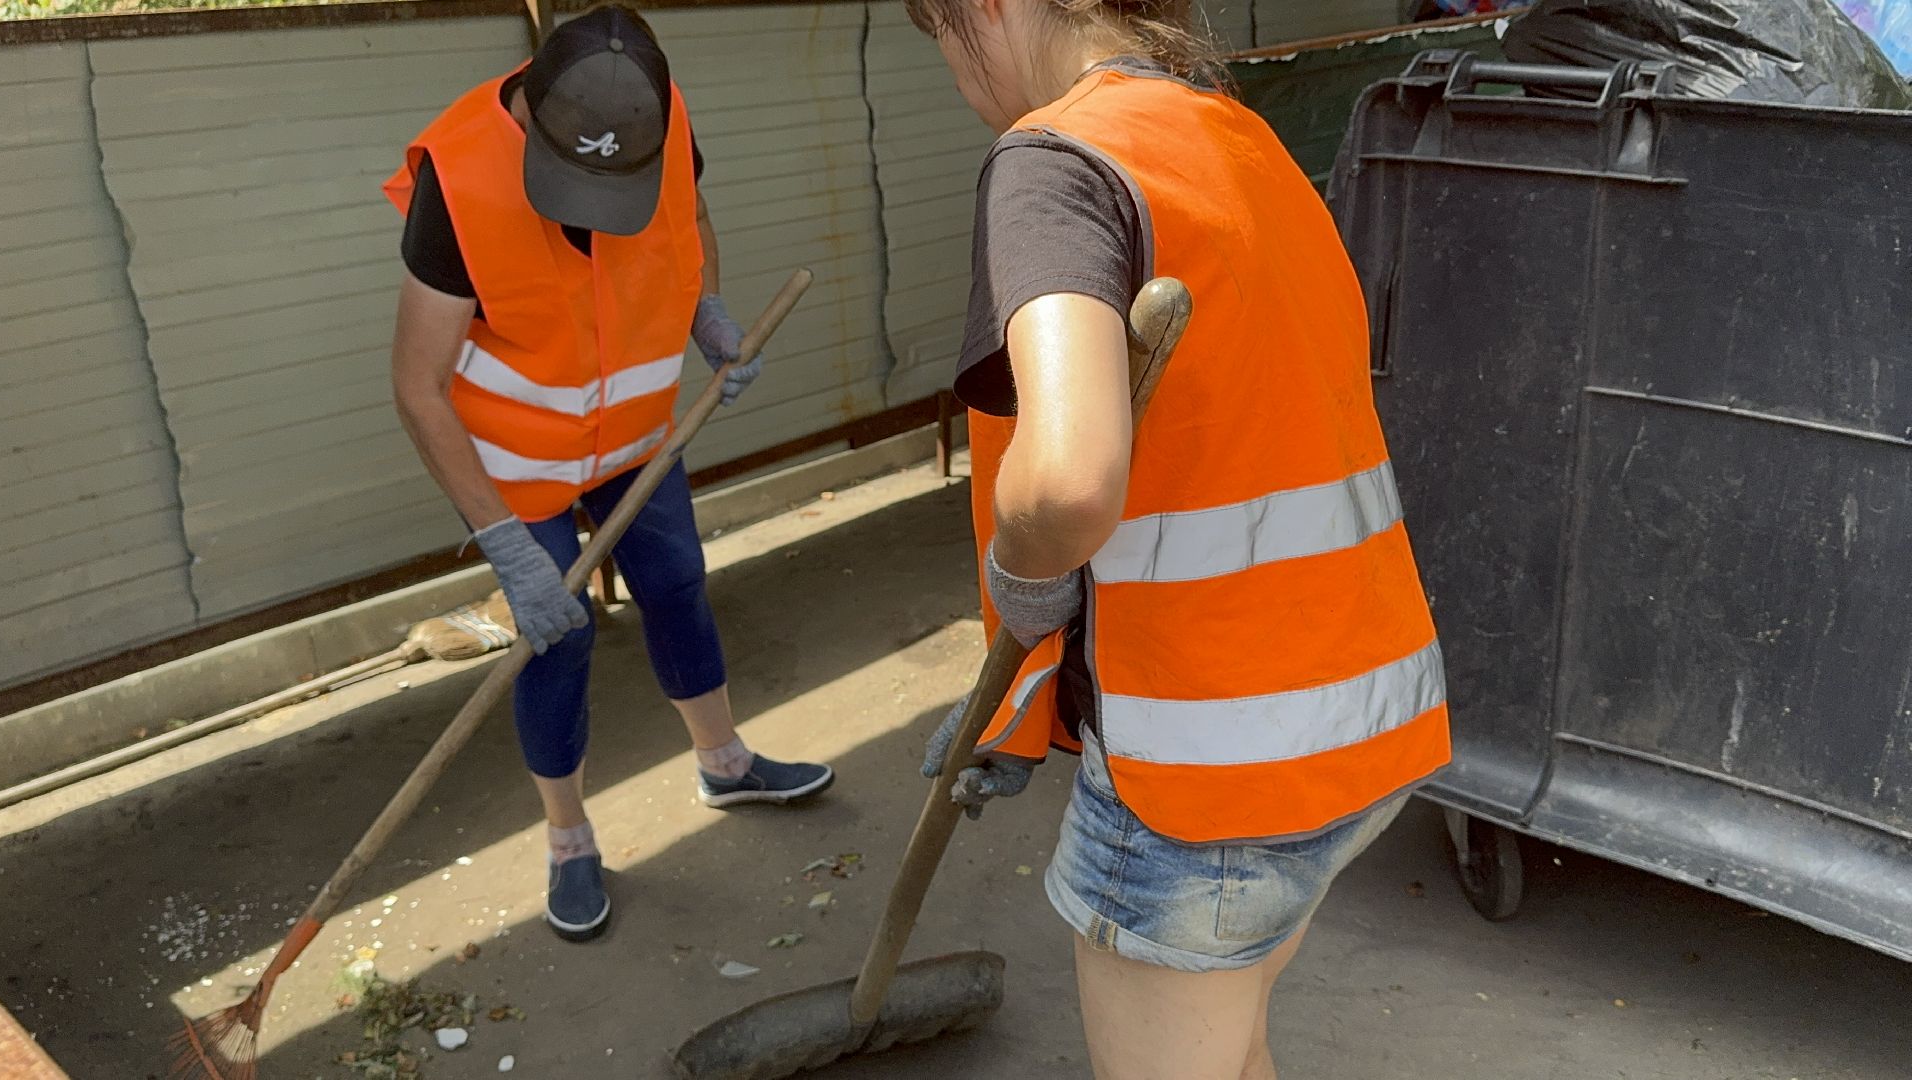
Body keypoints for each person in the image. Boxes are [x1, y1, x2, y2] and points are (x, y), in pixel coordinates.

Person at [908, 0, 1451, 1075]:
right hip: (1365, 722)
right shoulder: (1239, 142)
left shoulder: (1056, 160)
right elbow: (1218, 450)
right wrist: (1022, 715)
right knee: (1234, 1048)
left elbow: (1065, 480)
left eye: (940, 33)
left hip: (1210, 783)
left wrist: (1020, 571)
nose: (957, 78)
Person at [383, 5, 833, 944]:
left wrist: (710, 312)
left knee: (677, 583)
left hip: (635, 437)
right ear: (533, 112)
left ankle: (725, 764)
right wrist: (506, 546)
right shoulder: (458, 180)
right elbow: (418, 384)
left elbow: (693, 217)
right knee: (558, 637)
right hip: (518, 463)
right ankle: (568, 839)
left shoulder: (661, 118)